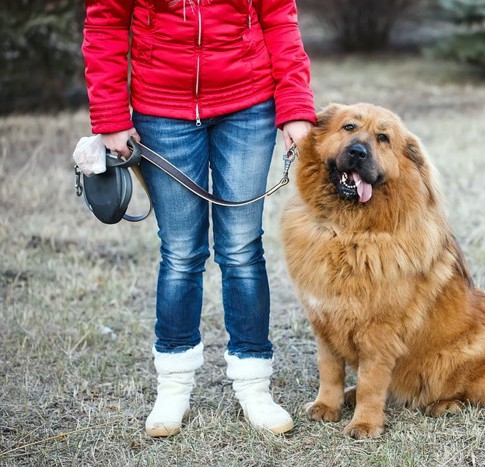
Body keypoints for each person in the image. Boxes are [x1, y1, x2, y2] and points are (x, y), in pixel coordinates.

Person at [82, 0, 316, 437]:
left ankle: (253, 384)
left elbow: (279, 18)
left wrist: (296, 107)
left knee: (243, 249)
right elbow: (105, 23)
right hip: (162, 112)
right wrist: (111, 116)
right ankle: (173, 384)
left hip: (248, 106)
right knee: (181, 253)